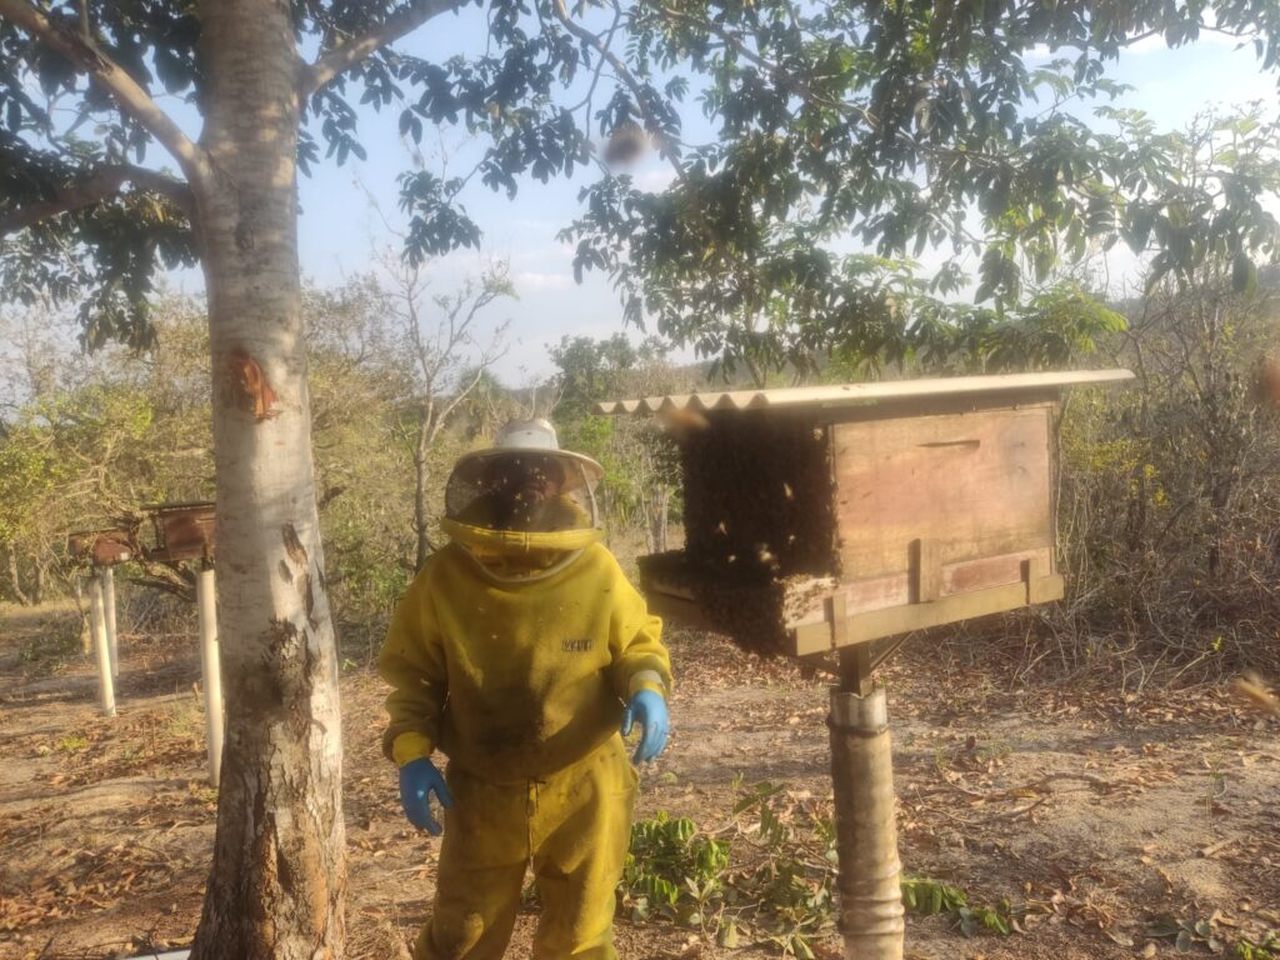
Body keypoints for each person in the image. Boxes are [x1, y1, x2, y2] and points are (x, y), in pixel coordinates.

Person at [379, 418, 673, 960]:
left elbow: (636, 642)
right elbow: (415, 673)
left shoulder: (596, 567)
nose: (531, 479)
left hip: (586, 779)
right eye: (516, 468)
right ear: (493, 479)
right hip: (484, 785)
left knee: (581, 937)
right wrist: (412, 753)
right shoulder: (444, 576)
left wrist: (646, 684)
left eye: (543, 469)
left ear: (562, 482)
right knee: (462, 936)